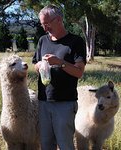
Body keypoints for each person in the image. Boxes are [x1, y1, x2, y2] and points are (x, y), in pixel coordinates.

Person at [32, 4, 87, 150]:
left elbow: (79, 72)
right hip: (44, 102)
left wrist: (59, 62)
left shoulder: (76, 42)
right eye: (42, 24)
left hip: (65, 104)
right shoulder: (42, 40)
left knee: (65, 145)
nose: (44, 28)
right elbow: (35, 64)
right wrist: (40, 66)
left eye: (47, 24)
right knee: (46, 145)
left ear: (59, 20)